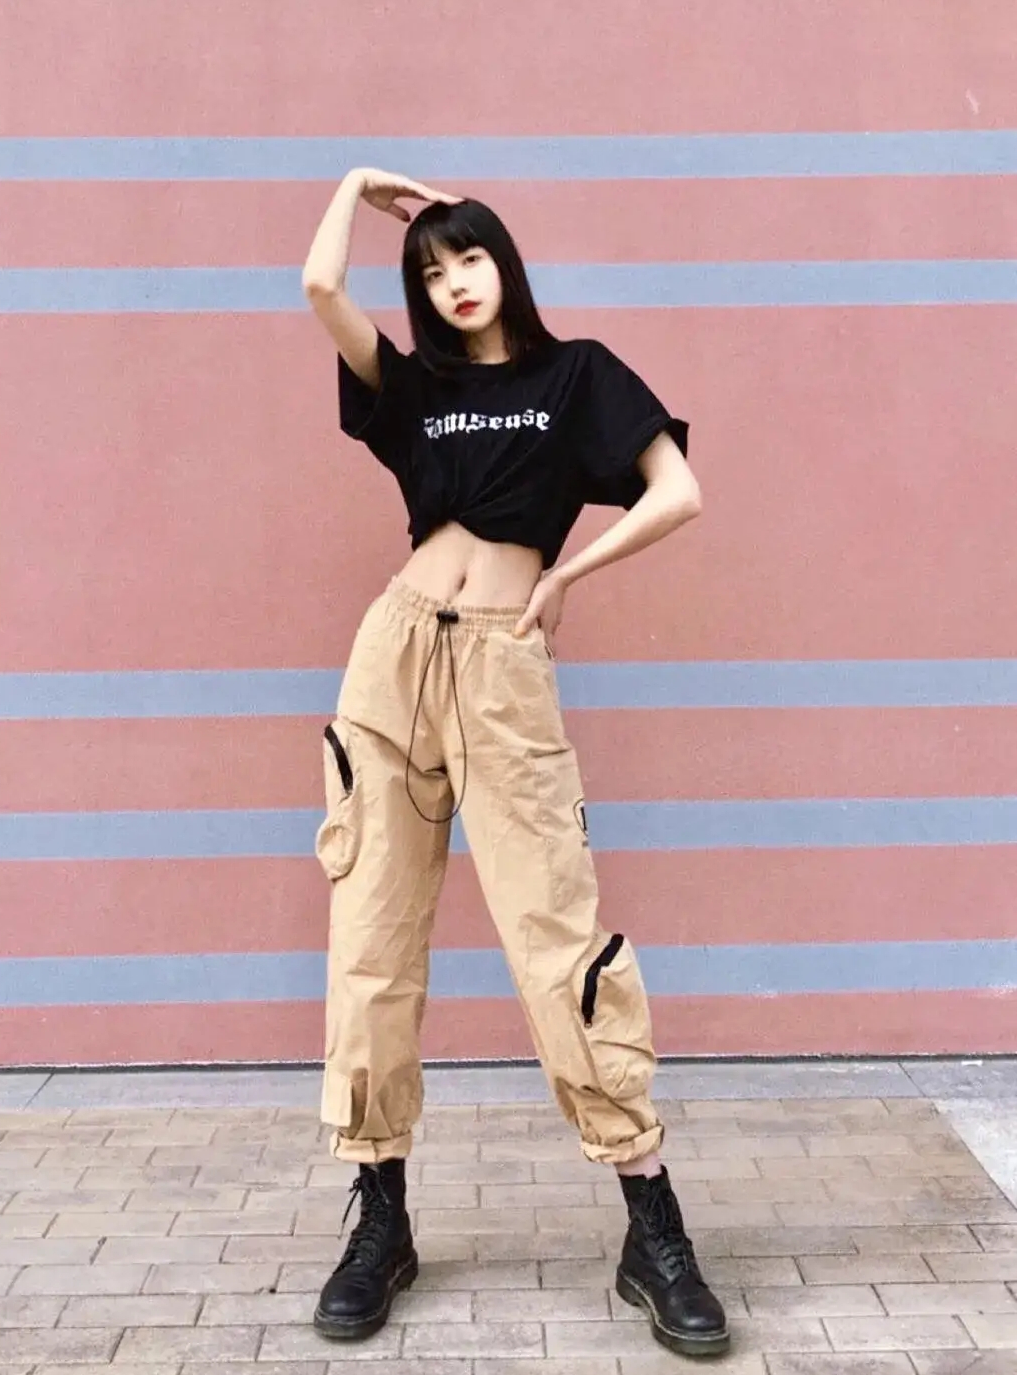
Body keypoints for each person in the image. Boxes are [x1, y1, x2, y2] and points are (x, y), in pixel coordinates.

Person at [301, 167, 728, 1359]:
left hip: (503, 672)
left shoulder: (576, 375)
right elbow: (320, 286)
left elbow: (678, 492)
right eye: (432, 270)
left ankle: (651, 1222)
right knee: (371, 945)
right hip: (391, 665)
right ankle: (381, 1217)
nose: (454, 282)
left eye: (470, 257)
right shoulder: (414, 389)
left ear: (506, 262)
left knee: (558, 941)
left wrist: (565, 575)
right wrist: (356, 185)